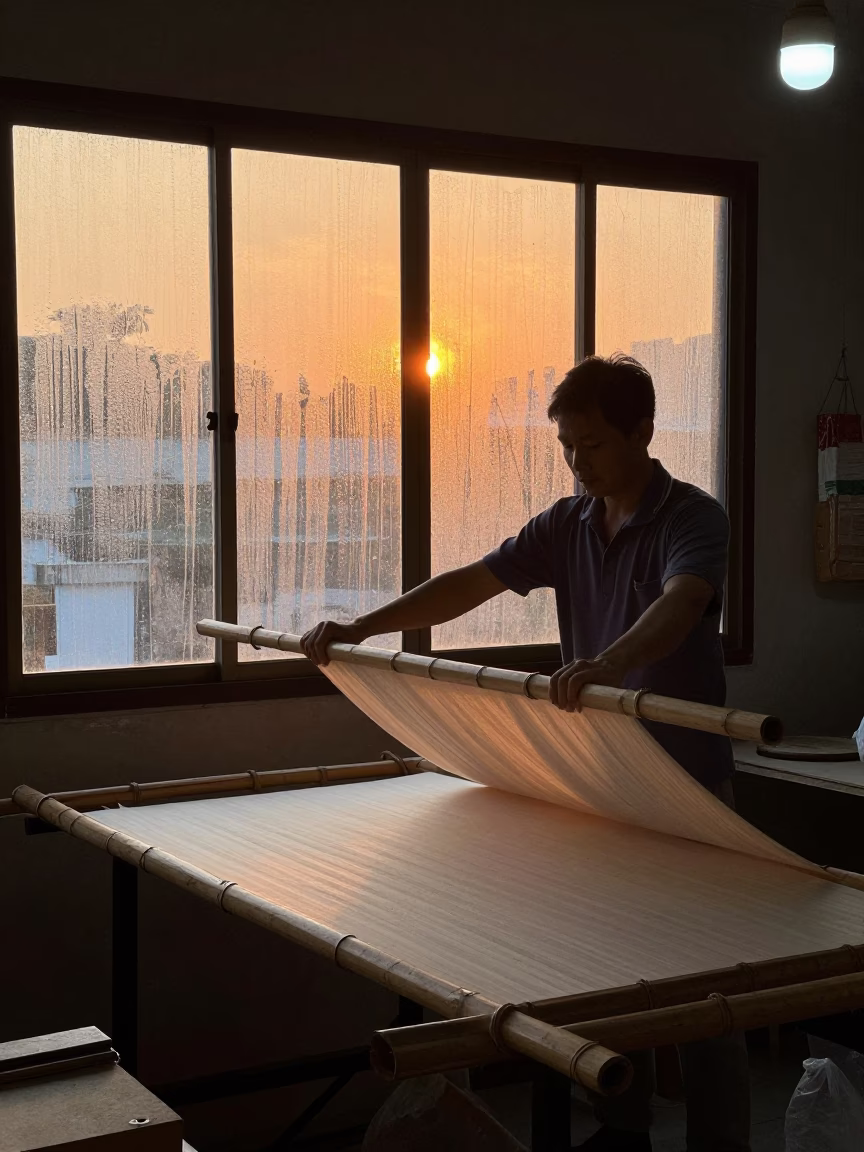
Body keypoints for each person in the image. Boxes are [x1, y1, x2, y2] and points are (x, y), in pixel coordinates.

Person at [301, 353, 749, 1152]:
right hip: (607, 786)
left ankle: (723, 1142)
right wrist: (363, 629)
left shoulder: (693, 517)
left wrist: (610, 662)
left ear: (643, 432)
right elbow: (471, 583)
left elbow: (683, 603)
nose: (579, 464)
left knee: (709, 994)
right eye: (567, 447)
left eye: (594, 446)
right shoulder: (567, 522)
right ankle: (624, 1129)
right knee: (618, 972)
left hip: (688, 787)